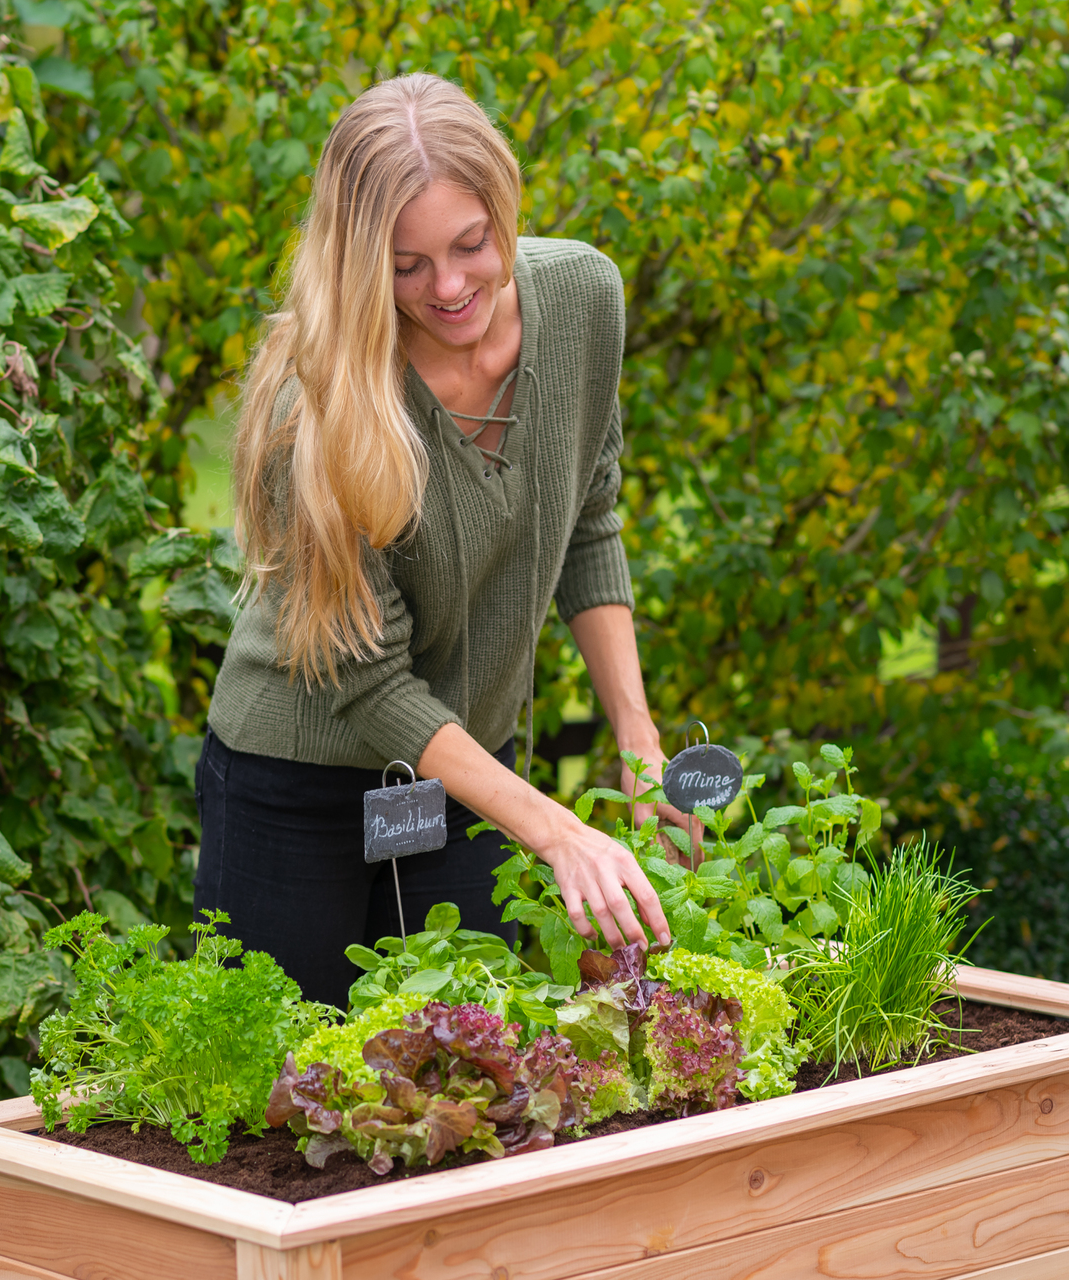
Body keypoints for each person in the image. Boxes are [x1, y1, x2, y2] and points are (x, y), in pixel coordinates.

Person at [196, 73, 699, 1006]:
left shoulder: (584, 298)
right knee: (272, 1102)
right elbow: (368, 681)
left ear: (504, 206)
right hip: (295, 783)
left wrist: (637, 738)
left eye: (472, 244)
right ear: (358, 262)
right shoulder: (320, 398)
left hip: (472, 784)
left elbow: (590, 518)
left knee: (469, 1086)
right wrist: (553, 827)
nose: (452, 285)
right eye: (407, 265)